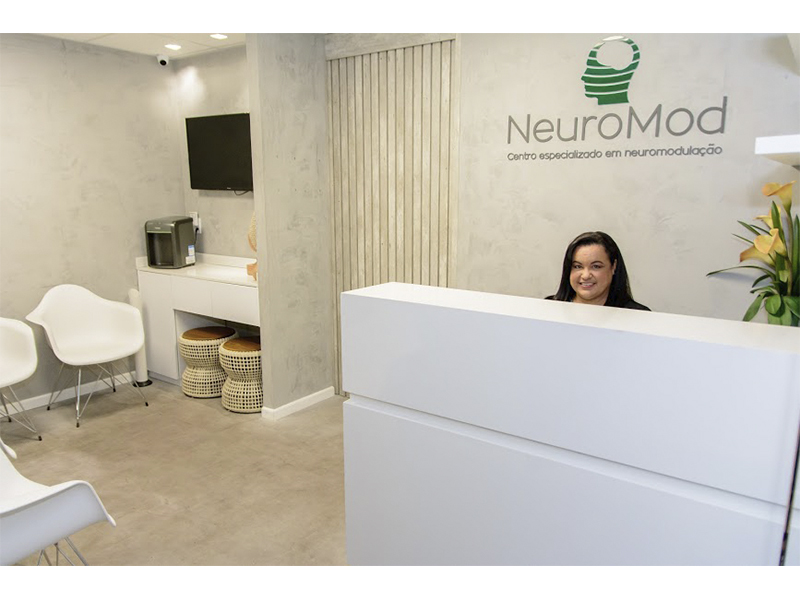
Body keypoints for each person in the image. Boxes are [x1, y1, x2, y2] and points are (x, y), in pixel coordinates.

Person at [547, 231, 650, 310]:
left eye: (596, 266)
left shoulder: (639, 316)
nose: (585, 275)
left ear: (613, 266)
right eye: (578, 266)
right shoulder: (548, 308)